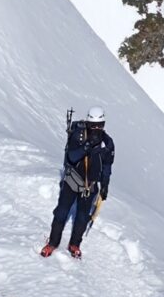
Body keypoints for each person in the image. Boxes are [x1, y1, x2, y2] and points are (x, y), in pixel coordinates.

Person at [40, 108, 114, 259]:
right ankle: (53, 242)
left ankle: (75, 244)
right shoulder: (79, 135)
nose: (96, 128)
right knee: (61, 212)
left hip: (90, 185)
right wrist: (86, 146)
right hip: (72, 180)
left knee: (82, 216)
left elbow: (107, 166)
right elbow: (72, 157)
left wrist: (105, 185)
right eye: (93, 125)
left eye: (99, 125)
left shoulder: (107, 143)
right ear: (88, 123)